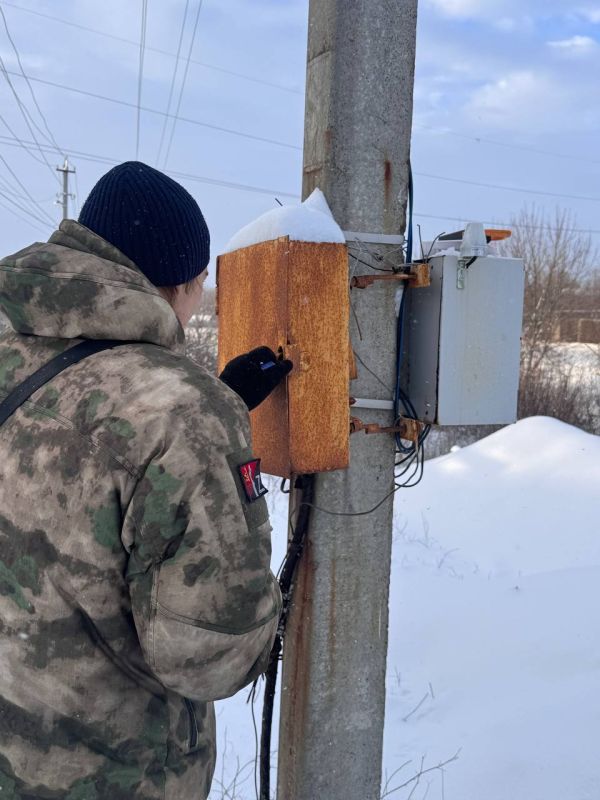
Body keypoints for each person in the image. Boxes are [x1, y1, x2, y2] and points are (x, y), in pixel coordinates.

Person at [0, 161, 291, 799]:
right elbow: (210, 652)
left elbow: (73, 432)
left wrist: (214, 409)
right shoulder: (180, 412)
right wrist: (207, 434)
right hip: (111, 777)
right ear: (182, 282)